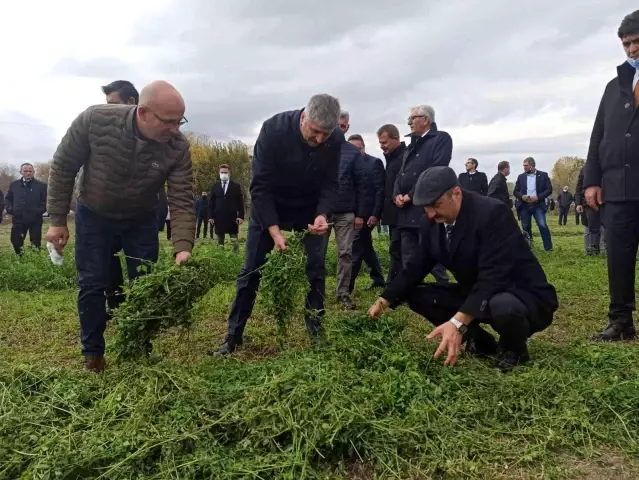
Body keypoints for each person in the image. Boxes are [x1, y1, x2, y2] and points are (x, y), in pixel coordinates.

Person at [46, 80, 196, 372]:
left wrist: (182, 247)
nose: (175, 129)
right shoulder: (95, 120)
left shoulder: (177, 147)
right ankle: (93, 355)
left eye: (180, 121)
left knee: (144, 284)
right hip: (94, 213)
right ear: (142, 113)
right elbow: (64, 165)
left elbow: (181, 199)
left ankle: (140, 349)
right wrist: (57, 220)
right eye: (169, 122)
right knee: (92, 283)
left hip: (141, 218)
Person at [368, 167, 558, 372]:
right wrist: (384, 300)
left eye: (436, 205)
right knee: (418, 295)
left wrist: (457, 322)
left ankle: (514, 349)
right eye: (425, 208)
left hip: (520, 293)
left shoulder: (493, 213)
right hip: (476, 290)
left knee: (503, 306)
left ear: (456, 194)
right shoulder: (432, 221)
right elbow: (416, 265)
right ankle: (480, 341)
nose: (430, 214)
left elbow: (493, 276)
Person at [213, 94, 341, 356]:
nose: (319, 140)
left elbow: (330, 183)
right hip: (270, 207)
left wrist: (322, 214)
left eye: (325, 135)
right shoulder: (273, 130)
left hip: (308, 211)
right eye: (315, 132)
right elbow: (260, 186)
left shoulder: (335, 139)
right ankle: (233, 336)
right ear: (303, 117)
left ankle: (316, 335)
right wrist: (272, 229)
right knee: (251, 272)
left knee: (315, 272)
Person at [583, 9, 639, 341]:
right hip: (617, 189)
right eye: (627, 45)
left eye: (637, 42)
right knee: (618, 257)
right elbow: (597, 135)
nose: (632, 51)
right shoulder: (612, 86)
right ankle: (621, 323)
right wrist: (592, 180)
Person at [394, 104, 452, 284]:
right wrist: (397, 194)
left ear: (425, 120)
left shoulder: (440, 139)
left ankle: (445, 287)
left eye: (413, 118)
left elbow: (434, 170)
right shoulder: (411, 145)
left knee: (433, 251)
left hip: (426, 208)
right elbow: (400, 173)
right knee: (408, 255)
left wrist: (411, 195)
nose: (409, 122)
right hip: (405, 209)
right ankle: (410, 291)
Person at [100, 80, 140, 316]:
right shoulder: (103, 132)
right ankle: (115, 302)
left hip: (139, 212)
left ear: (131, 103)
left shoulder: (149, 131)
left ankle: (139, 307)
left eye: (113, 104)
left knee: (139, 261)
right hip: (109, 209)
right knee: (108, 257)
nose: (108, 110)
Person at [347, 134, 386, 294]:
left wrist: (376, 214)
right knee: (366, 248)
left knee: (355, 249)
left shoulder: (374, 163)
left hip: (368, 214)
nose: (355, 151)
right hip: (353, 213)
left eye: (358, 147)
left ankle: (347, 287)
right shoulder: (348, 164)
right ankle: (378, 278)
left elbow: (379, 190)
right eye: (351, 148)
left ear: (363, 146)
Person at [377, 124, 406, 282]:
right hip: (393, 214)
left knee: (400, 251)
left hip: (403, 212)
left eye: (384, 142)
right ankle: (394, 283)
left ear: (396, 139)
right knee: (396, 250)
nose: (382, 146)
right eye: (380, 143)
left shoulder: (405, 158)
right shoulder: (391, 159)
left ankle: (393, 285)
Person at [5, 163, 48, 254]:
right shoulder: (14, 185)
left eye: (30, 171)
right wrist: (10, 209)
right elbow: (8, 199)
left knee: (35, 243)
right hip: (18, 218)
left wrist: (40, 211)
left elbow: (46, 201)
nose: (28, 173)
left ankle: (35, 260)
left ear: (34, 172)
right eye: (25, 171)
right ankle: (19, 258)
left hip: (35, 219)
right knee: (16, 241)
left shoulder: (42, 186)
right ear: (20, 172)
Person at [513, 157, 553, 252]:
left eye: (526, 165)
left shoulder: (543, 175)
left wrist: (538, 197)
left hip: (538, 205)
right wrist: (522, 196)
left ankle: (548, 248)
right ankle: (528, 248)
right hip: (524, 205)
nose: (524, 167)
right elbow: (515, 191)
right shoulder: (521, 177)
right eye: (523, 166)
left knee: (542, 225)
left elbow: (549, 189)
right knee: (526, 227)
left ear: (532, 165)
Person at [208, 164, 245, 253]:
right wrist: (211, 216)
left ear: (229, 173)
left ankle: (235, 258)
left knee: (234, 241)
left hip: (232, 218)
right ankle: (220, 258)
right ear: (219, 173)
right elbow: (211, 203)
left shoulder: (236, 186)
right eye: (222, 172)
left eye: (225, 172)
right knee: (219, 241)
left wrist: (241, 216)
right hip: (219, 217)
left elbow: (240, 202)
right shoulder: (215, 187)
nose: (223, 174)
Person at [575, 166, 605, 256]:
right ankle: (591, 250)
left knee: (606, 227)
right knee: (590, 226)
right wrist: (578, 203)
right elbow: (579, 187)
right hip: (588, 202)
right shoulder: (585, 169)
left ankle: (605, 250)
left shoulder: (608, 166)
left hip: (605, 201)